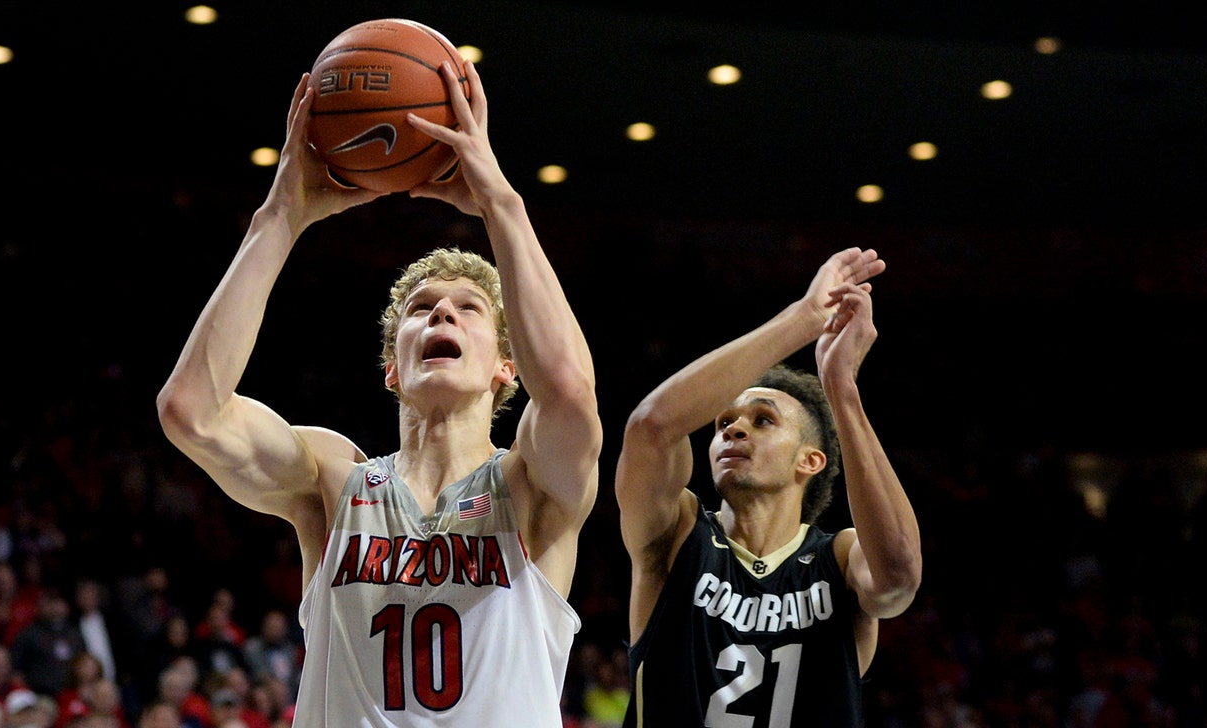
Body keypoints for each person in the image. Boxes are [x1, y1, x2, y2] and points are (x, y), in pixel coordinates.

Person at [156, 53, 601, 728]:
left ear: (506, 366)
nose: (442, 315)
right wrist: (279, 216)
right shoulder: (333, 482)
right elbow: (191, 412)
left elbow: (568, 392)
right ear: (393, 367)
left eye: (467, 309)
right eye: (422, 310)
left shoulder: (531, 482)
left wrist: (501, 204)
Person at [614, 248, 922, 725]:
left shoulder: (838, 559)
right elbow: (651, 428)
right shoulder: (678, 535)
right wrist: (802, 320)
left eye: (762, 421)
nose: (732, 431)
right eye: (723, 423)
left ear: (811, 460)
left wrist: (841, 387)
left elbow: (898, 578)